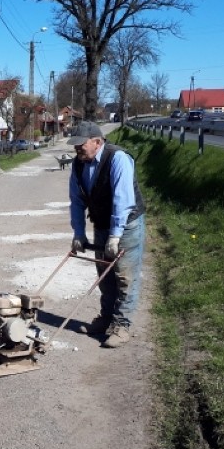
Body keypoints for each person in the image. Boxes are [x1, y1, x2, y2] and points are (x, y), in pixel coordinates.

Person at [67, 121, 146, 348]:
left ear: (97, 142)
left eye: (81, 145)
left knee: (125, 277)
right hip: (101, 223)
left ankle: (122, 326)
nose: (77, 149)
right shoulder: (78, 164)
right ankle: (106, 318)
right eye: (75, 146)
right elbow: (77, 200)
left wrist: (115, 236)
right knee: (105, 275)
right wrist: (79, 233)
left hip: (127, 225)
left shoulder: (118, 158)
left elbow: (123, 200)